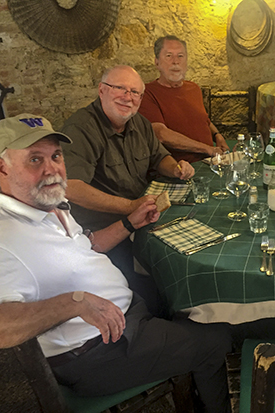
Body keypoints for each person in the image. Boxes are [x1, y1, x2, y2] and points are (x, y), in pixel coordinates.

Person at [0, 114, 231, 412]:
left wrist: (130, 222)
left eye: (56, 155)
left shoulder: (45, 204)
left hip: (124, 319)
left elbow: (88, 244)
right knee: (218, 340)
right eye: (34, 159)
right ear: (1, 166)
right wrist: (75, 303)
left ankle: (193, 378)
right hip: (98, 354)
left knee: (184, 298)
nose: (51, 169)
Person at [61, 65, 195, 313]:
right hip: (105, 234)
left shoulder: (139, 123)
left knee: (188, 243)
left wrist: (176, 168)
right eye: (120, 88)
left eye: (135, 92)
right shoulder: (82, 128)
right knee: (148, 291)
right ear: (102, 90)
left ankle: (183, 307)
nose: (128, 97)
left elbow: (159, 157)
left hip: (141, 218)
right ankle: (159, 322)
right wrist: (130, 207)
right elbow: (71, 188)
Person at [138, 35, 230, 163]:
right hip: (179, 168)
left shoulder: (194, 88)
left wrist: (217, 135)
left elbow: (203, 119)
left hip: (210, 161)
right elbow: (161, 134)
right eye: (169, 56)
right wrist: (207, 149)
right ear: (157, 62)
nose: (175, 61)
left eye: (180, 56)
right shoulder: (147, 93)